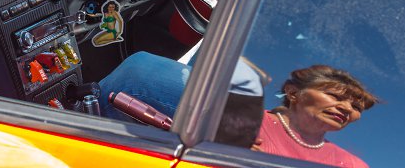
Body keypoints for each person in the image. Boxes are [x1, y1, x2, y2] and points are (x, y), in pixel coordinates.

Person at [98, 45, 265, 148]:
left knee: (132, 78)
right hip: (266, 111)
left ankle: (84, 130)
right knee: (222, 39)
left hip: (257, 131)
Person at [253, 65, 377, 168]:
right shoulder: (247, 121)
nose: (348, 109)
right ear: (293, 93)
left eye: (356, 107)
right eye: (335, 96)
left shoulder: (353, 165)